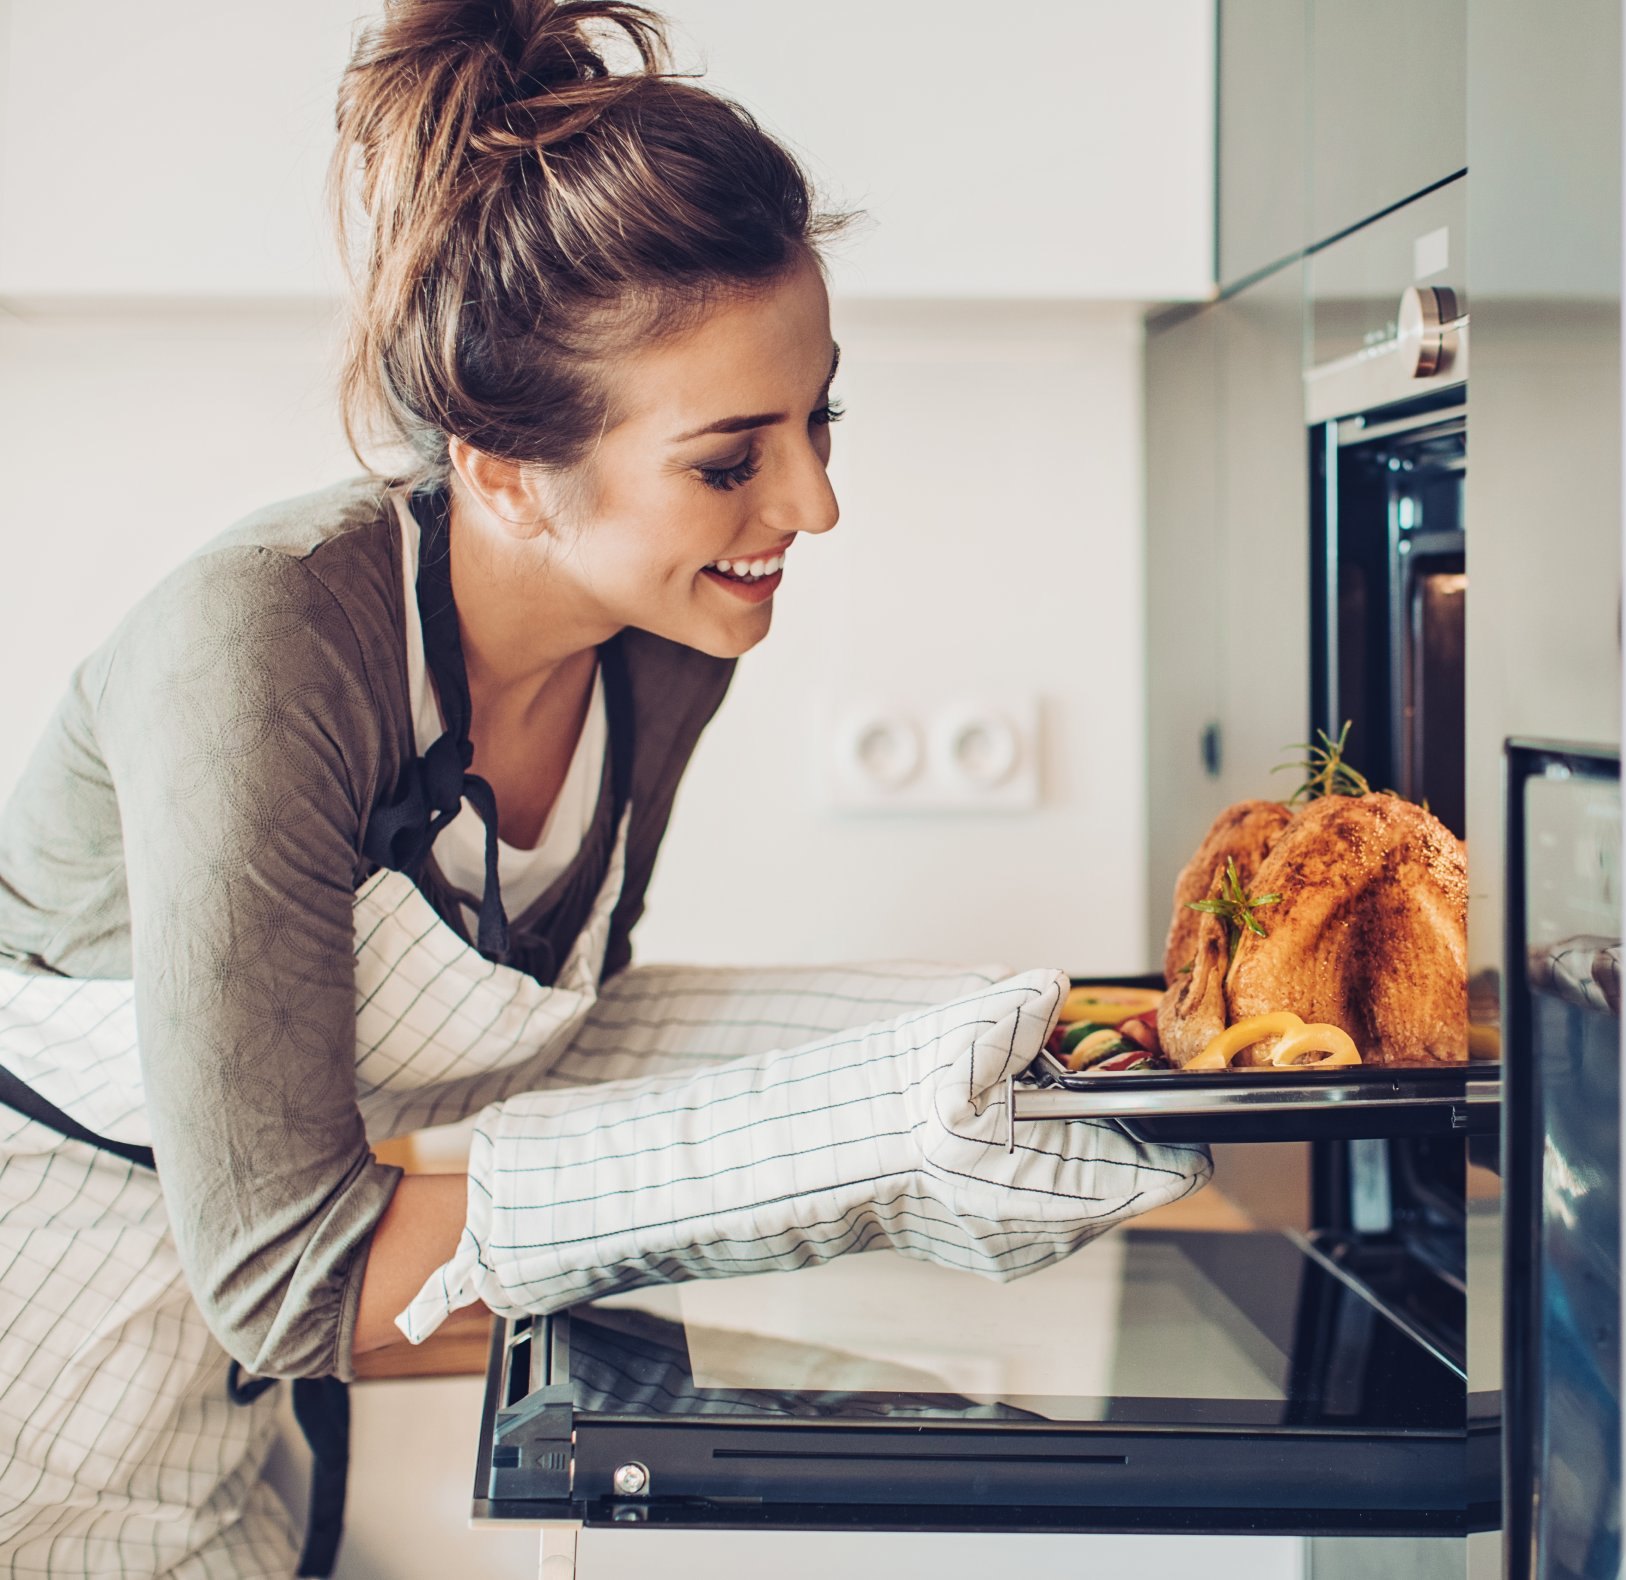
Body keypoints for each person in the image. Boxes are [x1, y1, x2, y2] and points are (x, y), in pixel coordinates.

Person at [0, 3, 1206, 1573]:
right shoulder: (268, 645)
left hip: (230, 1433)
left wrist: (1035, 1043)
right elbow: (296, 1281)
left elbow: (543, 1048)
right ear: (501, 470)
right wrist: (846, 1158)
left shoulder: (667, 648)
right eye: (729, 459)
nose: (814, 503)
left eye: (820, 415)